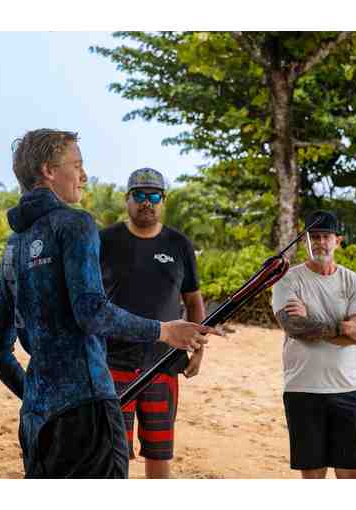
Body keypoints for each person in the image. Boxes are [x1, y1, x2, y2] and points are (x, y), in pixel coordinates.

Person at [0, 129, 217, 479]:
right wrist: (165, 331)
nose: (84, 175)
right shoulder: (76, 224)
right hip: (87, 411)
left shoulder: (13, 244)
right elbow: (92, 312)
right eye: (77, 165)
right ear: (48, 170)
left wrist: (35, 394)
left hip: (36, 417)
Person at [99, 167, 205, 479]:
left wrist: (198, 351)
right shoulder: (104, 241)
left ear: (163, 200)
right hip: (111, 364)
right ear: (127, 199)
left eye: (154, 196)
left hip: (164, 365)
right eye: (140, 195)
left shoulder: (179, 244)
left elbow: (193, 301)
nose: (147, 202)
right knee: (112, 453)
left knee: (159, 452)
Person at [271, 210, 356, 479]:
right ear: (305, 241)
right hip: (302, 389)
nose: (319, 243)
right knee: (313, 475)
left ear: (337, 241)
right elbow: (294, 327)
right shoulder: (287, 279)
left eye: (325, 237)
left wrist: (311, 322)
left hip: (346, 389)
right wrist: (342, 327)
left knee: (352, 475)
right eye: (313, 237)